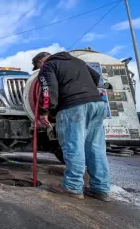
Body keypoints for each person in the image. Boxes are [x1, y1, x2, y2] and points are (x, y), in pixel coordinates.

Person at [33, 51, 111, 201]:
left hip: (73, 107)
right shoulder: (78, 62)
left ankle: (72, 186)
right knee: (96, 147)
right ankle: (100, 188)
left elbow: (48, 90)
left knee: (73, 146)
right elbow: (95, 77)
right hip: (97, 104)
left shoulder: (48, 66)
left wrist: (45, 111)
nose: (39, 70)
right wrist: (84, 92)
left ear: (41, 62)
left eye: (38, 67)